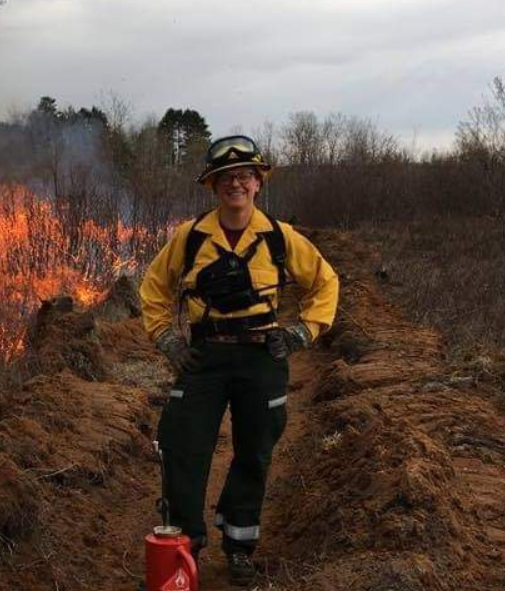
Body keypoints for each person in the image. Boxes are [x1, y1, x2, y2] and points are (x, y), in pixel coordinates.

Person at [139, 135, 339, 586]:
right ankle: (182, 549)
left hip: (262, 358)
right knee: (182, 448)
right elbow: (153, 289)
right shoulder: (190, 238)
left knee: (254, 451)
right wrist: (168, 340)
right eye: (227, 177)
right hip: (203, 358)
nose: (237, 184)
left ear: (258, 183)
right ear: (213, 186)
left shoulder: (279, 237)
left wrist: (302, 331)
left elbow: (325, 283)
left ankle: (239, 544)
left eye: (245, 175)